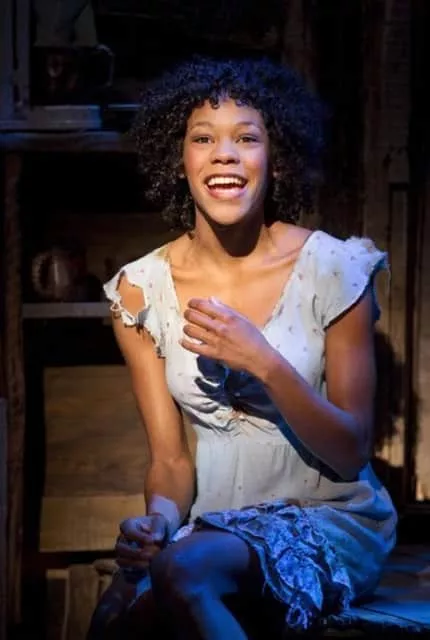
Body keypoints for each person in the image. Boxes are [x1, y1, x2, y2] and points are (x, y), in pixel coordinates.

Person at [88, 56, 397, 639]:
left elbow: (350, 450)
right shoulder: (140, 290)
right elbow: (171, 463)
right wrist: (158, 522)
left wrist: (262, 361)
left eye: (247, 138)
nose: (224, 154)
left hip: (326, 518)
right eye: (203, 138)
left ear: (275, 160)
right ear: (179, 161)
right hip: (211, 529)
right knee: (115, 620)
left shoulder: (334, 269)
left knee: (183, 571)